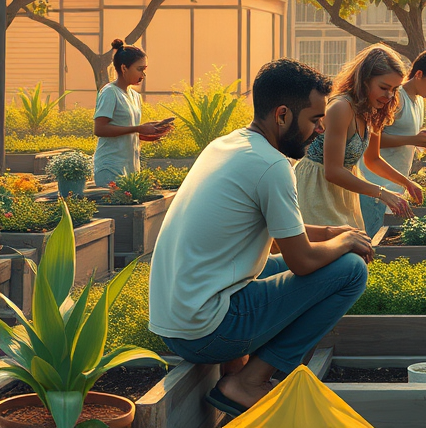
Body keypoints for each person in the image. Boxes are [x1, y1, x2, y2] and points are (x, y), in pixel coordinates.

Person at [149, 59, 372, 418]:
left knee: (309, 258)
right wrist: (344, 244)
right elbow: (302, 262)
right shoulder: (272, 166)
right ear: (282, 114)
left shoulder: (228, 145)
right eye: (315, 119)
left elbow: (279, 236)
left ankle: (245, 367)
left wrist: (332, 232)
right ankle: (249, 380)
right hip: (207, 330)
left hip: (177, 319)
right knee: (349, 270)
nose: (320, 130)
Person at [295, 44, 423, 232]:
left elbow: (372, 160)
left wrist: (406, 183)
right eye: (384, 87)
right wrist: (382, 193)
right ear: (364, 81)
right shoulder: (341, 107)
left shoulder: (372, 110)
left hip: (341, 193)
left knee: (351, 250)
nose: (389, 96)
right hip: (315, 188)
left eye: (394, 89)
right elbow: (333, 171)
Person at [357, 50, 426, 236]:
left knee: (382, 240)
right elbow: (371, 140)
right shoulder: (394, 97)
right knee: (369, 238)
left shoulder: (419, 101)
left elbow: (417, 139)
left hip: (395, 184)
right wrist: (414, 140)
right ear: (419, 74)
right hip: (375, 182)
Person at [93, 39, 173, 188]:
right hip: (111, 167)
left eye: (144, 70)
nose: (143, 74)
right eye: (139, 69)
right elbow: (100, 129)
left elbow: (126, 130)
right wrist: (137, 128)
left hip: (130, 167)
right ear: (124, 68)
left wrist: (149, 132)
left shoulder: (135, 96)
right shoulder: (110, 92)